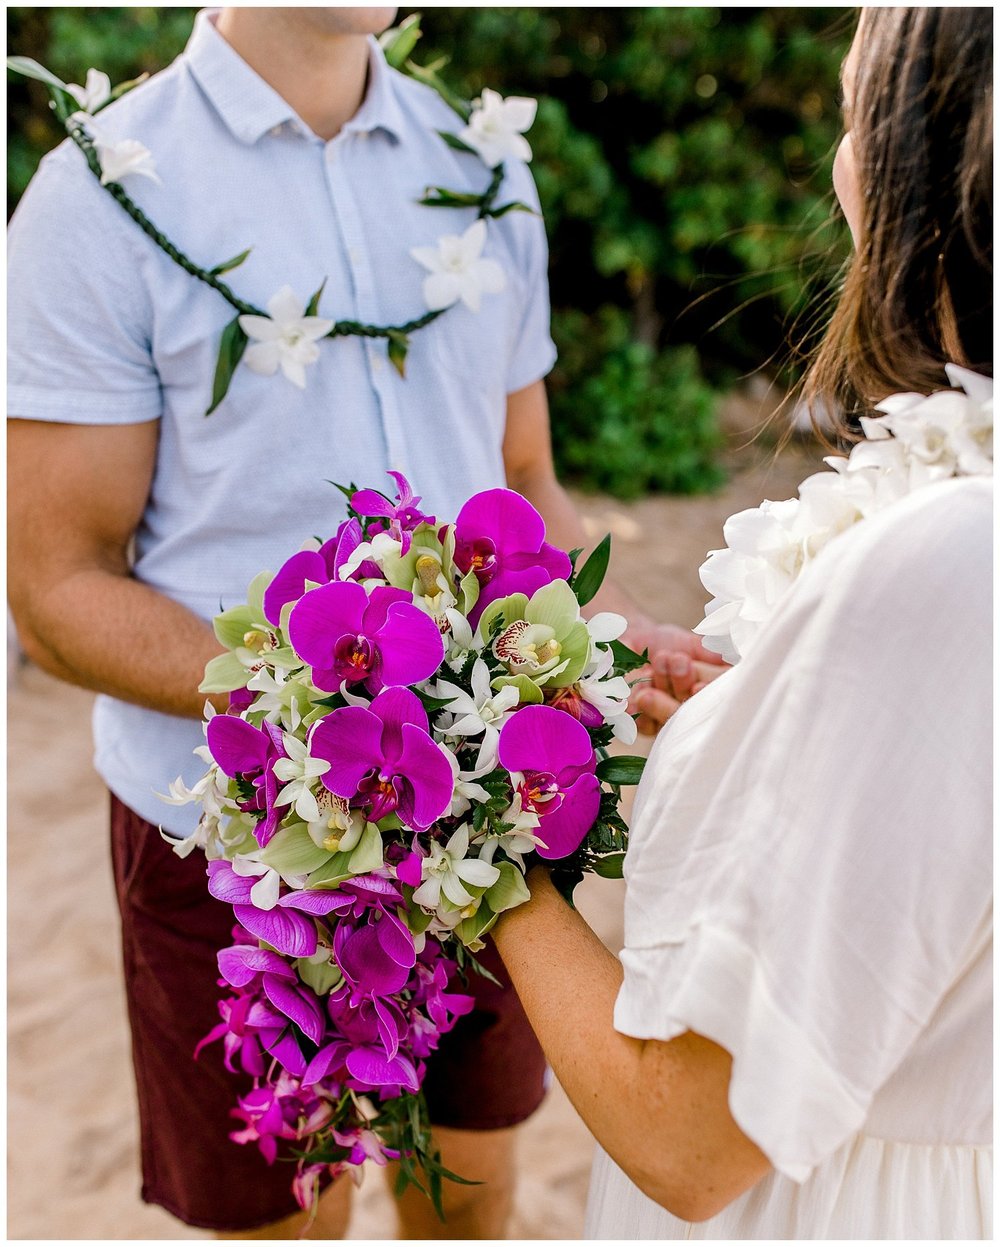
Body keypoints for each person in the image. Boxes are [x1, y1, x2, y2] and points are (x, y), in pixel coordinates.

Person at [6, 7, 719, 1239]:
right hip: (222, 844)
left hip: (486, 829)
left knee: (474, 1191)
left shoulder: (484, 165)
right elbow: (56, 588)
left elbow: (524, 490)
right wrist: (314, 714)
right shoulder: (100, 196)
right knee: (288, 1216)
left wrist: (615, 632)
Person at [492, 7, 992, 1239]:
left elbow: (686, 1134)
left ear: (914, 155)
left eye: (852, 93)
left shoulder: (938, 564)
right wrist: (758, 738)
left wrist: (468, 843)